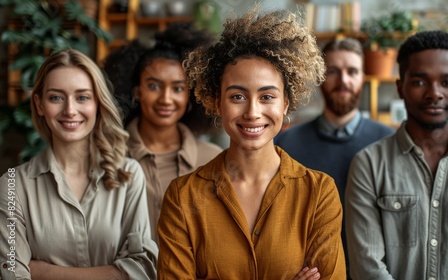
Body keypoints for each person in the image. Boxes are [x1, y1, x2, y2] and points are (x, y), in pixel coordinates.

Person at [156, 6, 346, 280]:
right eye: (237, 97)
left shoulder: (319, 194)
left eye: (267, 97)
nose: (253, 112)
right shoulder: (182, 197)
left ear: (285, 105)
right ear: (216, 102)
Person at [345, 30, 448, 280]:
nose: (434, 93)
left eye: (447, 82)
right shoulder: (369, 165)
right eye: (419, 82)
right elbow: (367, 267)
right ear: (400, 87)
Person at [0, 49, 157, 279]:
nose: (70, 110)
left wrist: (42, 271)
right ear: (40, 104)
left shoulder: (128, 175)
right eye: (56, 97)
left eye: (82, 97)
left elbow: (142, 270)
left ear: (97, 104)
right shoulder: (12, 185)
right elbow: (12, 273)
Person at [274, 37, 394, 269]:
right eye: (333, 72)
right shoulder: (285, 144)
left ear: (363, 77)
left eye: (352, 71)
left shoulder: (389, 142)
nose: (344, 81)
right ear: (320, 78)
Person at [103, 22, 223, 243]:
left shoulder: (213, 159)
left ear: (191, 96)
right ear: (137, 91)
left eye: (178, 88)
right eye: (154, 86)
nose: (166, 99)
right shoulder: (108, 155)